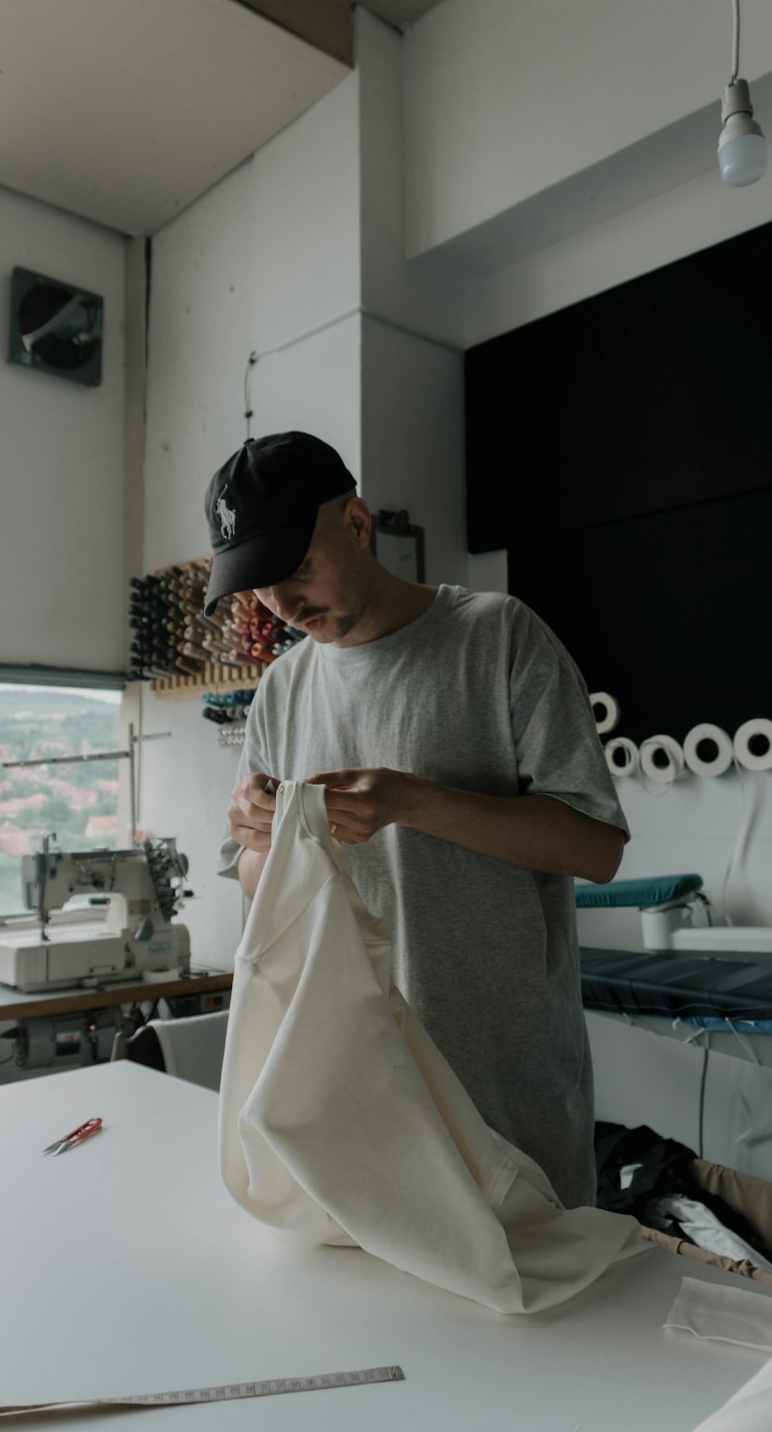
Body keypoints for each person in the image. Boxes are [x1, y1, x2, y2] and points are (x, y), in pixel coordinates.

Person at [207, 430, 628, 1209]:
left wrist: (412, 801)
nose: (287, 605)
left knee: (533, 1311)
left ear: (359, 525)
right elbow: (259, 892)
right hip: (354, 1089)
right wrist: (256, 835)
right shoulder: (282, 690)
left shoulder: (498, 637)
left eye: (298, 569)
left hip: (502, 1091)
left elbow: (597, 848)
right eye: (262, 587)